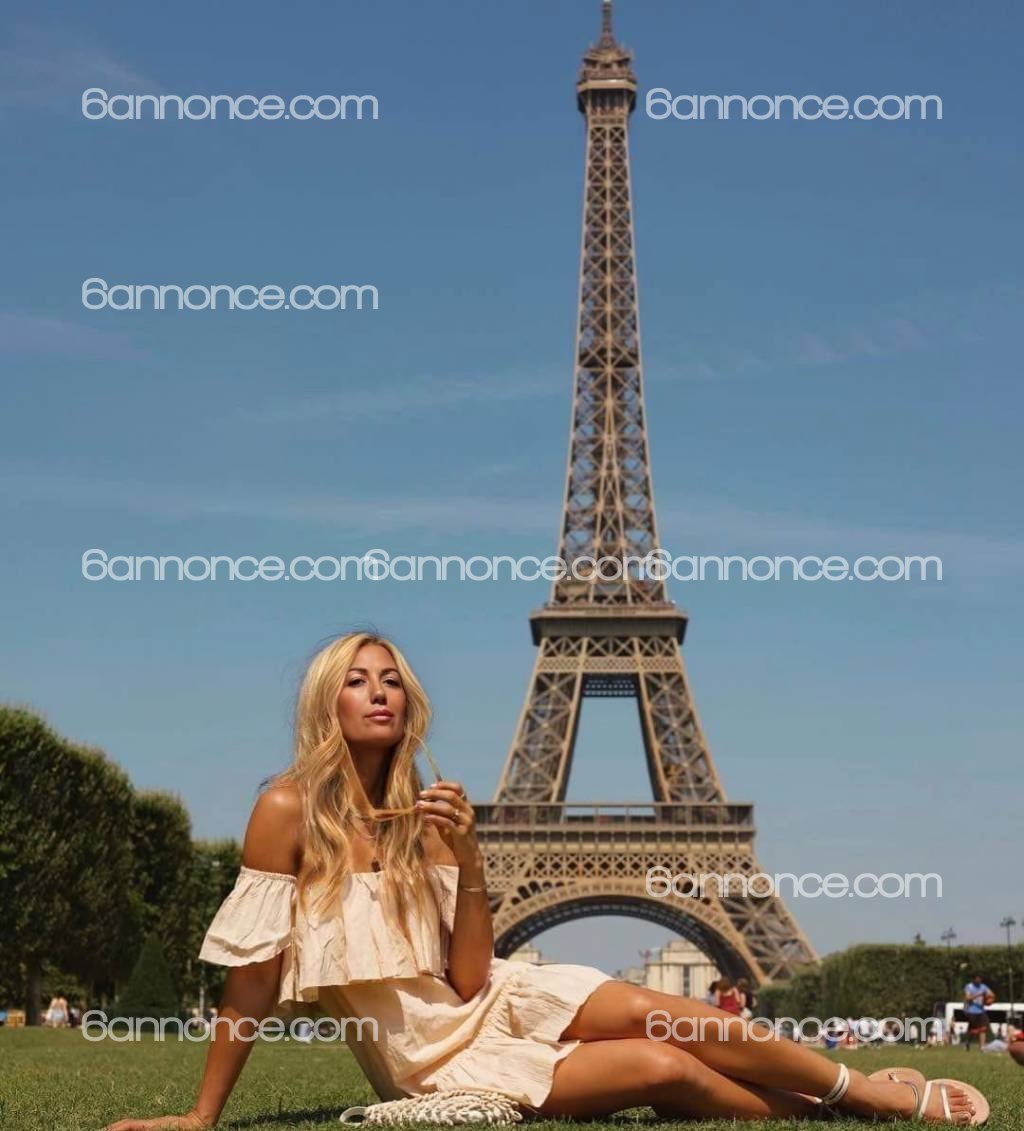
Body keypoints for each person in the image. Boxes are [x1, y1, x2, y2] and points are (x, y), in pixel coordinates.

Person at [101, 631, 989, 1128]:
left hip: (491, 999)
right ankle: (815, 1111)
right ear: (325, 701)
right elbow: (252, 976)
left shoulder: (431, 813)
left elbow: (469, 977)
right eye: (357, 681)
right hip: (431, 1060)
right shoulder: (286, 809)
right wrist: (203, 1115)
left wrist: (471, 858)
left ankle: (863, 1092)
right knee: (661, 1065)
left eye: (393, 681)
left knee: (657, 1010)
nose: (379, 693)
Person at [963, 974, 992, 1051]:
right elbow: (967, 998)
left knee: (983, 1028)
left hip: (981, 1011)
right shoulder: (969, 986)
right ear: (974, 979)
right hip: (972, 1011)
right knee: (973, 1030)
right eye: (977, 979)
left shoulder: (983, 986)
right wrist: (979, 994)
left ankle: (982, 1047)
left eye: (980, 979)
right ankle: (967, 1042)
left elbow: (991, 994)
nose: (979, 980)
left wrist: (989, 999)